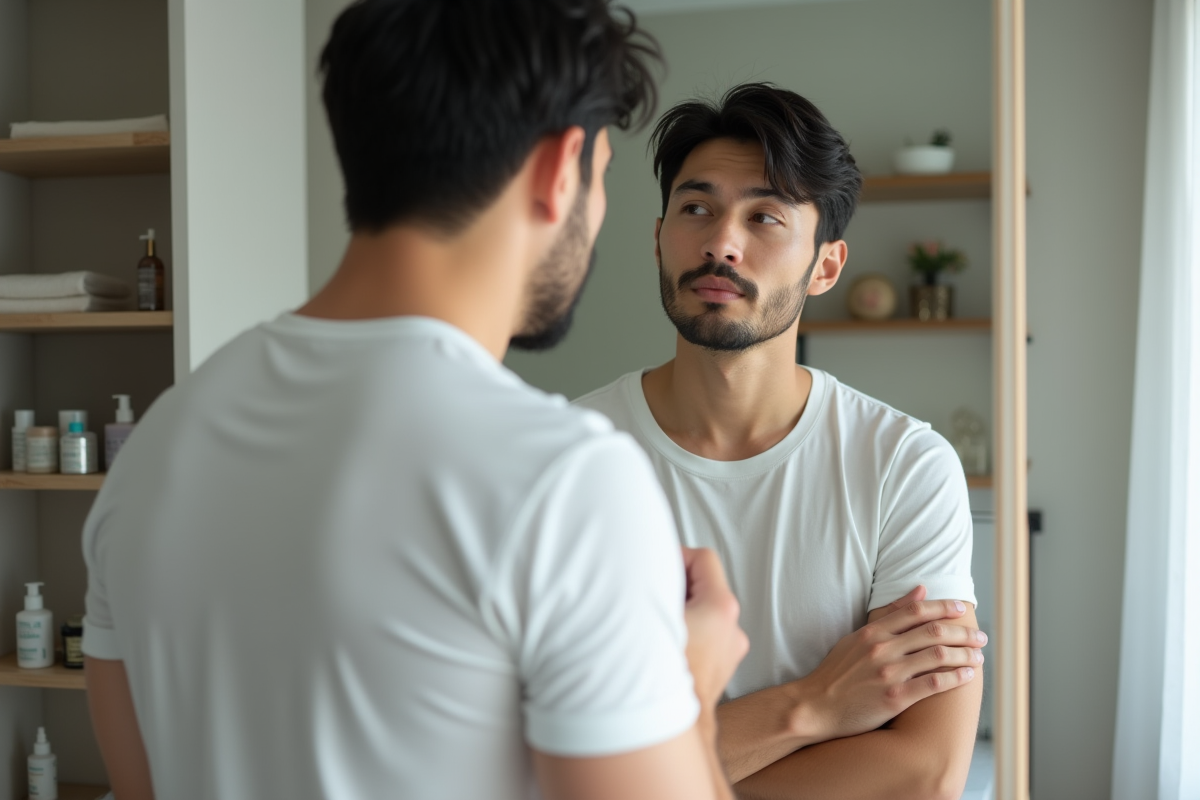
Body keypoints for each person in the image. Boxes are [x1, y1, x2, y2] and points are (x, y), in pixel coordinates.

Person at [80, 3, 748, 799]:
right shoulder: (565, 483)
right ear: (559, 170)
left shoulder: (156, 447)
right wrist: (694, 693)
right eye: (601, 179)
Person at [574, 82, 985, 800]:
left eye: (765, 216)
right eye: (695, 208)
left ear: (825, 266)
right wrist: (816, 705)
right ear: (659, 237)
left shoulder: (904, 467)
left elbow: (926, 773)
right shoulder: (569, 461)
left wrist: (653, 776)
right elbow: (545, 771)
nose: (721, 242)